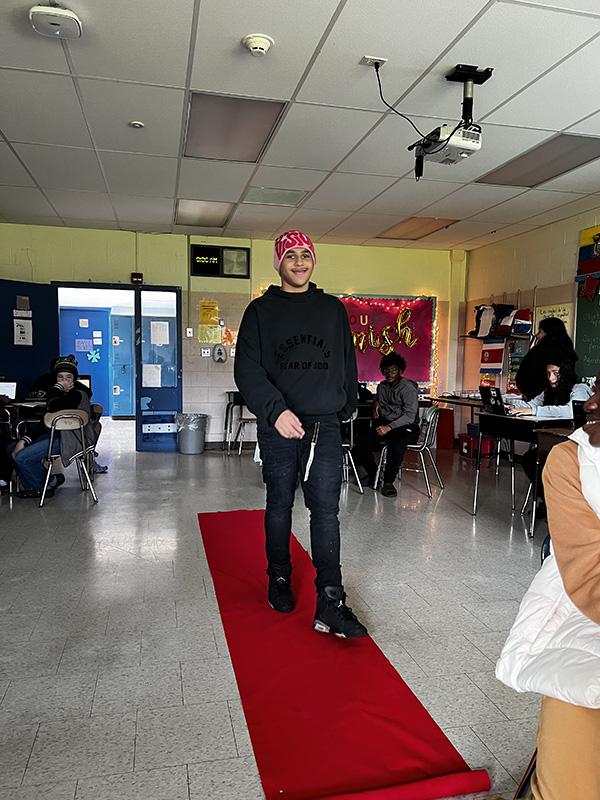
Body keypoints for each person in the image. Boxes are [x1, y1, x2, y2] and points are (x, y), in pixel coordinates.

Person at [234, 230, 367, 639]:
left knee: (326, 511)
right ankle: (278, 578)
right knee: (279, 505)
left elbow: (347, 362)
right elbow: (247, 370)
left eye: (305, 254)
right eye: (289, 255)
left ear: (313, 261)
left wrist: (341, 410)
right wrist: (276, 412)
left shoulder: (332, 309)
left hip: (323, 426)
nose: (298, 261)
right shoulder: (260, 311)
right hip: (279, 427)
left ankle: (330, 602)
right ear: (279, 262)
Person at [488, 368, 600, 800]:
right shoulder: (571, 460)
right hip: (582, 623)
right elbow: (588, 570)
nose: (588, 404)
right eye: (595, 390)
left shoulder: (563, 394)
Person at [507, 358, 591, 515]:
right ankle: (548, 501)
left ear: (565, 373)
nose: (551, 378)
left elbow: (569, 411)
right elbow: (532, 405)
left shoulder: (578, 389)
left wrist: (535, 412)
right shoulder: (549, 391)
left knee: (549, 463)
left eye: (555, 374)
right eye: (548, 374)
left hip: (576, 447)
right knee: (530, 460)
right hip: (552, 443)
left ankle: (558, 504)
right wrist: (511, 406)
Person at [7, 355, 98, 499]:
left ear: (74, 379)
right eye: (60, 377)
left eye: (68, 377)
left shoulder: (78, 395)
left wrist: (57, 388)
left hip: (73, 440)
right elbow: (47, 422)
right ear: (55, 378)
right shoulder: (60, 395)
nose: (64, 380)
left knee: (23, 457)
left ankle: (47, 484)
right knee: (11, 449)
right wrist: (24, 440)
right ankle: (35, 486)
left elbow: (53, 407)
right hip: (57, 434)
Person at [352, 353, 420, 498]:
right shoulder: (382, 387)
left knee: (396, 444)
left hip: (407, 427)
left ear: (401, 371)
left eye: (394, 370)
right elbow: (380, 400)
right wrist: (376, 402)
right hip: (386, 425)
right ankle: (374, 475)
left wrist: (389, 427)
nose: (390, 373)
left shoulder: (407, 388)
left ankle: (388, 482)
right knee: (360, 443)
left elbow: (409, 416)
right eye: (386, 370)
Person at [515, 317, 577, 401]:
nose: (537, 335)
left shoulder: (540, 350)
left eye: (540, 331)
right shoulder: (568, 351)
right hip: (562, 398)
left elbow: (524, 375)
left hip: (537, 398)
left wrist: (529, 394)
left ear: (549, 333)